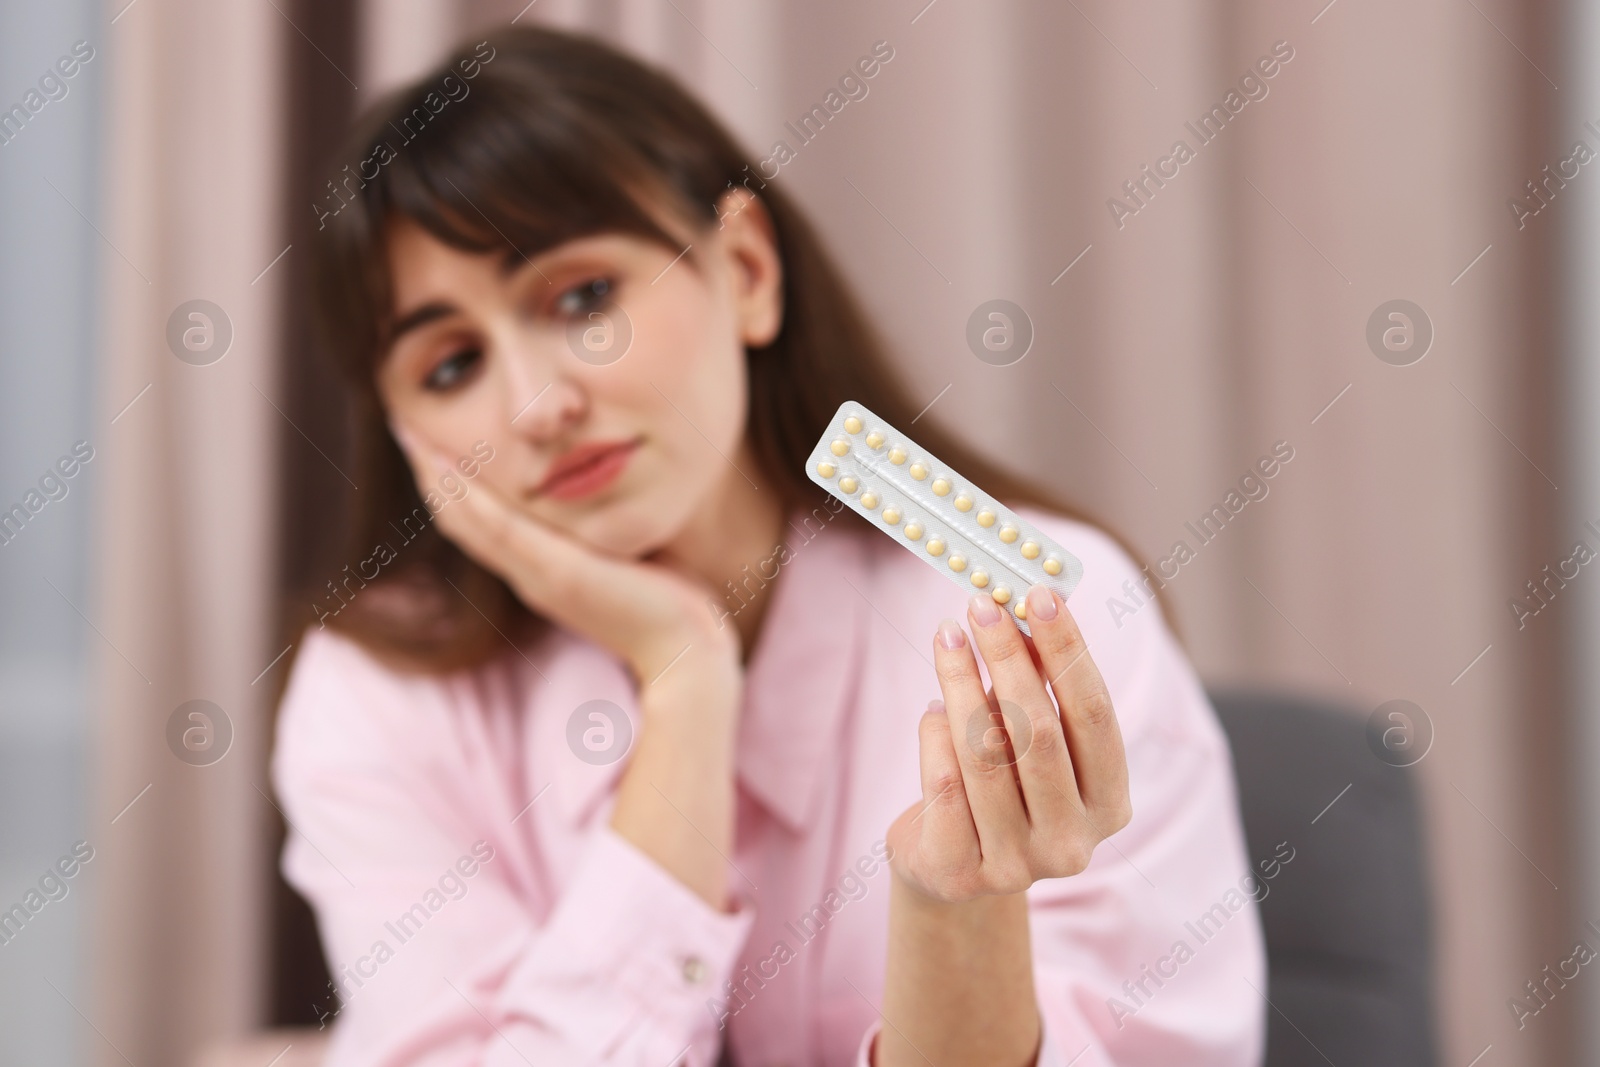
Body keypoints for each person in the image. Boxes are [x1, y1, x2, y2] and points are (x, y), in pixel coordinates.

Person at [273, 24, 1266, 1067]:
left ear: (743, 268)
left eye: (582, 299)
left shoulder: (1037, 622)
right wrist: (683, 683)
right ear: (401, 430)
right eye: (449, 363)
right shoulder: (377, 692)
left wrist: (957, 912)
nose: (537, 405)